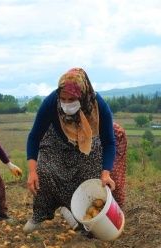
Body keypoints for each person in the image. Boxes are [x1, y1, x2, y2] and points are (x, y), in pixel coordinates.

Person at [24, 67, 127, 233]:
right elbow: (34, 137)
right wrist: (32, 171)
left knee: (90, 177)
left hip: (88, 142)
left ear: (82, 95)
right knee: (44, 170)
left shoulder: (98, 106)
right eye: (63, 98)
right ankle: (40, 213)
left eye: (71, 99)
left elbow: (108, 142)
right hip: (57, 139)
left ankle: (77, 215)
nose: (66, 103)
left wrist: (106, 173)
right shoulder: (51, 102)